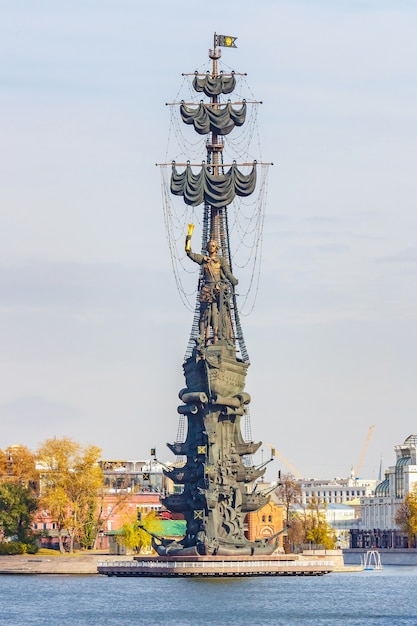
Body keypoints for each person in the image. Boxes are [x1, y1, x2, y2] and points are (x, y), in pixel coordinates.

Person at [186, 237, 238, 345]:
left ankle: (218, 335)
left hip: (217, 290)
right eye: (210, 245)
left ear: (217, 248)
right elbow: (190, 254)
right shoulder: (203, 259)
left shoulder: (221, 260)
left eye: (213, 245)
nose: (211, 247)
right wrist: (188, 239)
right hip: (206, 289)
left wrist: (232, 279)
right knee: (203, 314)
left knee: (217, 313)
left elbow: (227, 273)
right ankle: (201, 337)